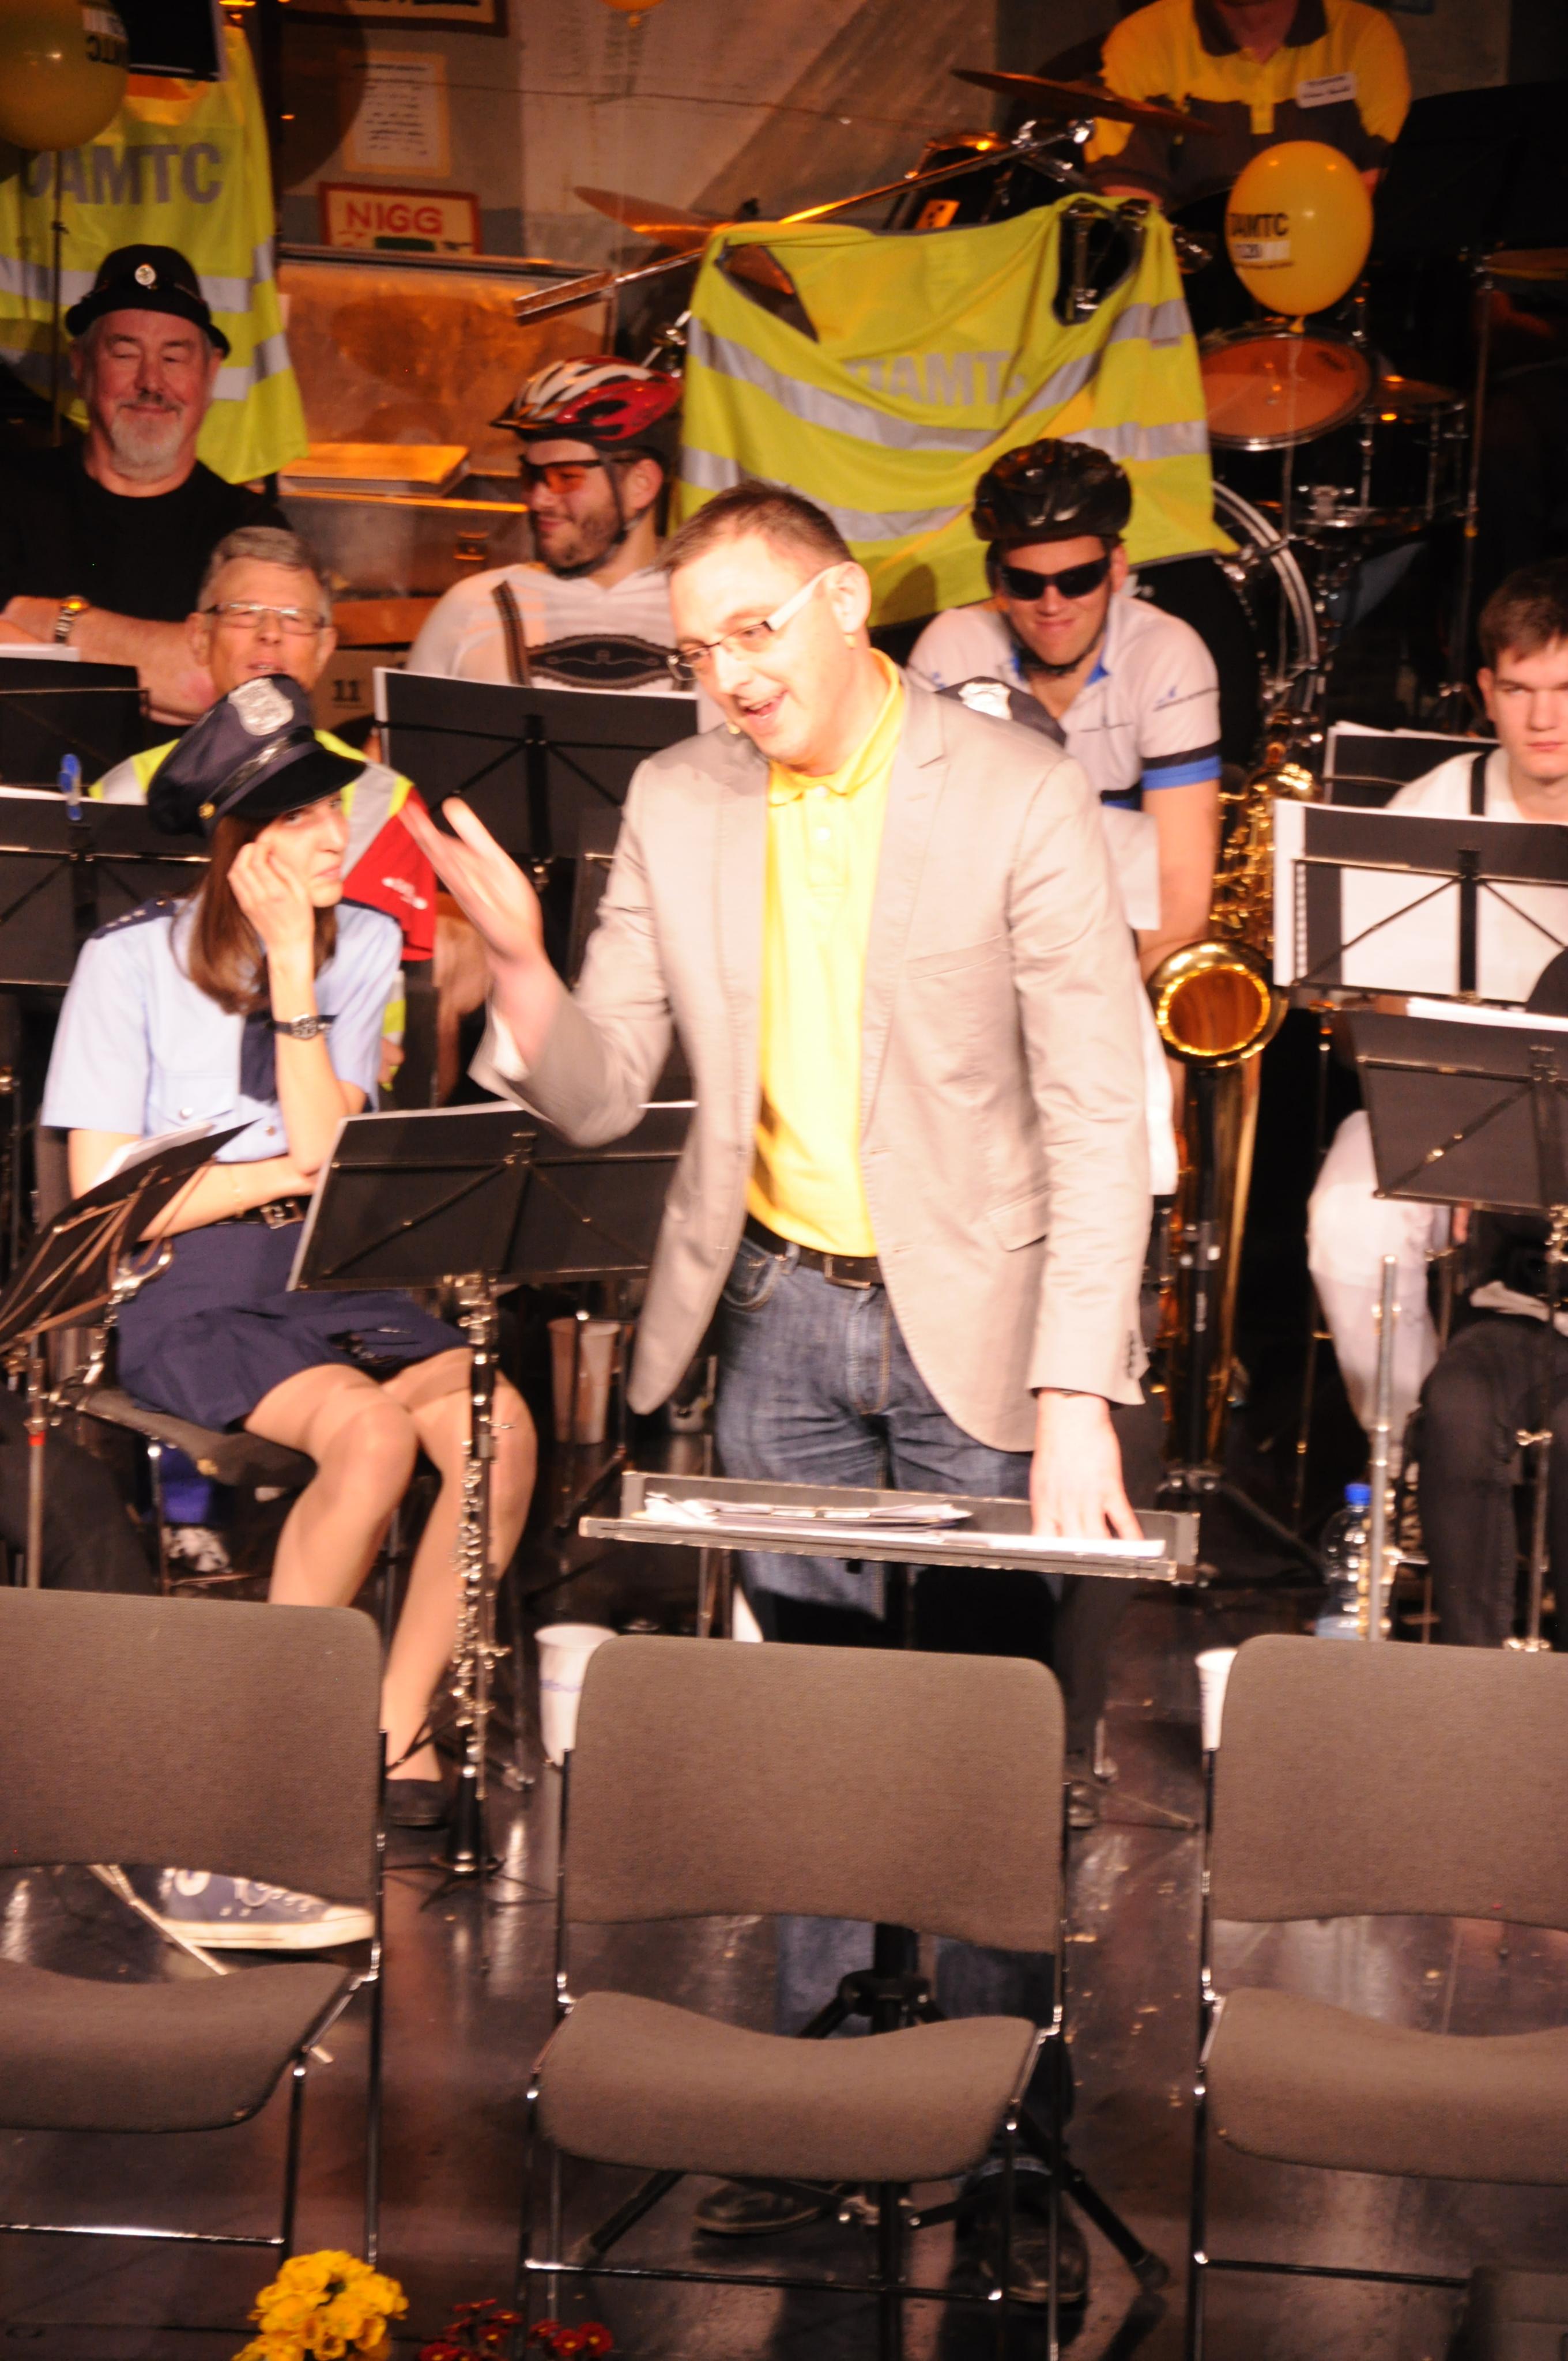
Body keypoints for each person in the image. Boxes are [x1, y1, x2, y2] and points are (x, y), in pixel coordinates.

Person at [406, 478, 1152, 2307]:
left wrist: (1076, 1385)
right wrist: (522, 962)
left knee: (984, 1735)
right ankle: (824, 2113)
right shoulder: (679, 798)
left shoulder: (1017, 793)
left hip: (982, 1320)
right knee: (812, 1727)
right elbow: (605, 1090)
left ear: (842, 603)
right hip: (779, 1314)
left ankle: (998, 2131)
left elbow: (1097, 1107)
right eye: (698, 650)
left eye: (753, 632)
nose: (729, 676)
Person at [42, 675, 536, 1942]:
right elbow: (111, 1200)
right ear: (240, 842)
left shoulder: (358, 944)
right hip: (191, 1282)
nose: (336, 836)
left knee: (497, 1428)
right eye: (303, 818)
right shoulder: (126, 962)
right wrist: (266, 1177)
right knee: (368, 1437)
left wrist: (300, 974)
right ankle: (274, 1757)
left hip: (332, 1264)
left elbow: (330, 1147)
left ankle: (394, 1724)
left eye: (336, 809)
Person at [1308, 560, 1568, 1477]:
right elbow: (1376, 1016)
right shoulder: (1433, 808)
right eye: (1521, 691)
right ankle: (1422, 1465)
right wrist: (1462, 1146)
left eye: (1564, 690)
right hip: (1454, 1113)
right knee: (1347, 1221)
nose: (1543, 717)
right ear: (1486, 694)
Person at [909, 438, 1222, 985]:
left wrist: (1092, 997)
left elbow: (1180, 894)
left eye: (1077, 580)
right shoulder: (951, 651)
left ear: (1117, 569)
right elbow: (917, 858)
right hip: (979, 942)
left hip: (1127, 937)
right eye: (1027, 584)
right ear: (996, 581)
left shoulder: (1168, 656)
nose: (1052, 605)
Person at [92, 526, 438, 1018]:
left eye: (295, 619)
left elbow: (379, 1023)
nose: (270, 633)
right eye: (244, 612)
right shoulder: (122, 790)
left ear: (325, 647)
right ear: (199, 637)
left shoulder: (389, 802)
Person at [0, 247, 285, 724]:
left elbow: (239, 691)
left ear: (210, 372)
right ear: (81, 365)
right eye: (125, 354)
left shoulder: (253, 533)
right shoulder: (10, 495)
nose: (151, 382)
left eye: (173, 357)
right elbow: (202, 681)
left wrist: (54, 622)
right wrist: (166, 665)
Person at [406, 359, 688, 692]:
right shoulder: (472, 606)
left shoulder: (717, 614)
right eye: (531, 476)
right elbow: (402, 728)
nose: (539, 500)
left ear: (641, 484)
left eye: (565, 477)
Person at [1084, 0, 1411, 209]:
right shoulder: (1145, 38)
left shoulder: (1359, 32)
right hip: (1189, 285)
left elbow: (1386, 182)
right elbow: (1129, 207)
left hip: (1332, 275)